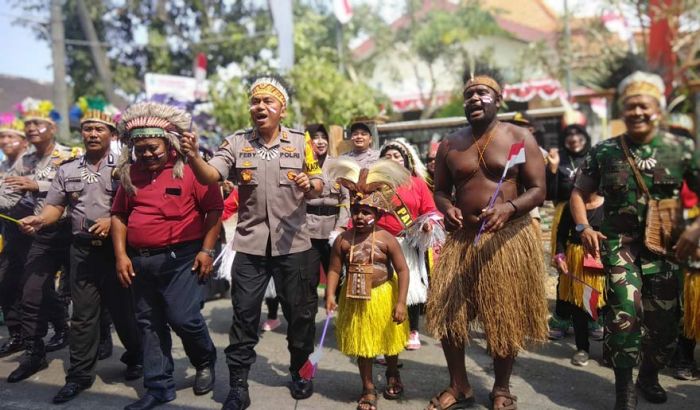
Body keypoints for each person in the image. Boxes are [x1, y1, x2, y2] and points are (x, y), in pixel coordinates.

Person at [180, 76, 324, 410]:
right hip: (250, 246)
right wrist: (191, 156)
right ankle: (238, 385)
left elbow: (319, 181)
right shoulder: (236, 143)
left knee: (300, 316)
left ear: (282, 110)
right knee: (243, 317)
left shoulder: (300, 142)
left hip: (295, 246)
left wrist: (309, 182)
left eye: (267, 102)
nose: (260, 107)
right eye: (255, 102)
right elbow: (211, 176)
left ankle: (300, 371)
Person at [571, 71, 700, 409]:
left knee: (666, 326)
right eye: (630, 107)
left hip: (666, 249)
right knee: (624, 314)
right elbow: (578, 192)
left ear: (657, 108)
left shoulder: (680, 148)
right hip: (619, 246)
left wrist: (695, 227)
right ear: (622, 112)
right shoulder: (605, 151)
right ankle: (624, 388)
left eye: (644, 106)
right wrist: (584, 227)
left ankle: (649, 375)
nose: (637, 113)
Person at [425, 75, 548, 410]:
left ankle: (502, 389)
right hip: (461, 239)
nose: (474, 99)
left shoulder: (519, 137)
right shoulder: (450, 143)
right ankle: (459, 385)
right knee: (450, 316)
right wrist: (447, 207)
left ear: (499, 99)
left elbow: (538, 189)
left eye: (482, 93)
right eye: (468, 95)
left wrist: (509, 208)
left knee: (501, 316)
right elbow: (438, 191)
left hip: (504, 240)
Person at [19, 103, 144, 403]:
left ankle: (138, 356)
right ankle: (78, 375)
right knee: (83, 316)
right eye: (87, 129)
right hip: (82, 251)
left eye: (98, 128)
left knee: (123, 312)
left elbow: (139, 206)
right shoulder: (69, 168)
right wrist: (40, 220)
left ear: (112, 134)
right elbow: (55, 206)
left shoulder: (128, 166)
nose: (91, 134)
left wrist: (111, 221)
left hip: (118, 252)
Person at [111, 102, 221, 410]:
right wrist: (121, 255)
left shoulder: (190, 169)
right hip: (140, 261)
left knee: (183, 318)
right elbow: (119, 215)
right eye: (139, 148)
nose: (146, 154)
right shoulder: (130, 173)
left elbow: (214, 210)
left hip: (182, 259)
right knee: (149, 323)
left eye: (152, 148)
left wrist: (206, 250)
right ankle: (158, 387)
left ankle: (204, 360)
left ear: (168, 143)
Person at [325, 158, 410, 410]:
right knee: (364, 344)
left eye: (366, 212)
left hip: (384, 294)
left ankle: (393, 373)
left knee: (389, 341)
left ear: (378, 214)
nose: (360, 216)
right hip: (354, 297)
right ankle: (368, 387)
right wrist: (330, 294)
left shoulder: (386, 239)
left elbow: (403, 270)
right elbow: (333, 269)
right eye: (356, 211)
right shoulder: (343, 239)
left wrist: (401, 302)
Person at [4, 100, 75, 382]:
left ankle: (100, 340)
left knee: (85, 295)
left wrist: (38, 185)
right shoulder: (25, 161)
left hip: (70, 231)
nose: (31, 128)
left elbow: (74, 189)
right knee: (31, 291)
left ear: (53, 127)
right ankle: (34, 353)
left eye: (38, 123)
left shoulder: (70, 155)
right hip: (40, 234)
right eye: (28, 124)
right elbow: (11, 195)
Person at [379, 138, 442, 350]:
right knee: (384, 288)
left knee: (412, 288)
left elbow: (430, 210)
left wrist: (427, 224)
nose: (392, 160)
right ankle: (383, 333)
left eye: (396, 156)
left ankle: (412, 329)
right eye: (387, 157)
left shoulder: (417, 183)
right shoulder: (374, 182)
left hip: (408, 243)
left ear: (406, 160)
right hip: (379, 244)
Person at [553, 193, 606, 366]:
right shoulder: (572, 206)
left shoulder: (610, 204)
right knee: (579, 306)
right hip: (577, 260)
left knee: (608, 305)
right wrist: (560, 256)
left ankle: (610, 351)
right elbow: (561, 235)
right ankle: (582, 349)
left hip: (605, 259)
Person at [0, 114, 30, 358]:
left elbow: (11, 201)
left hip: (32, 230)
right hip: (10, 232)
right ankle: (17, 334)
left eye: (11, 136)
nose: (5, 140)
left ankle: (60, 327)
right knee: (7, 283)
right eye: (2, 136)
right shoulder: (2, 166)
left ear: (23, 141)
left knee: (32, 287)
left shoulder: (27, 164)